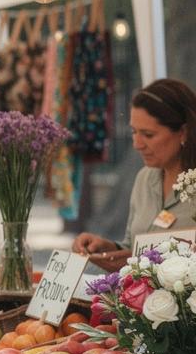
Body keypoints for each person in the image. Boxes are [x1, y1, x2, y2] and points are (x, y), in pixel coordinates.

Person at [73, 78, 196, 272]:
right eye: (134, 132)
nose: (137, 144)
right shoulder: (144, 179)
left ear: (183, 132)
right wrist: (108, 248)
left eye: (148, 134)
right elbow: (133, 247)